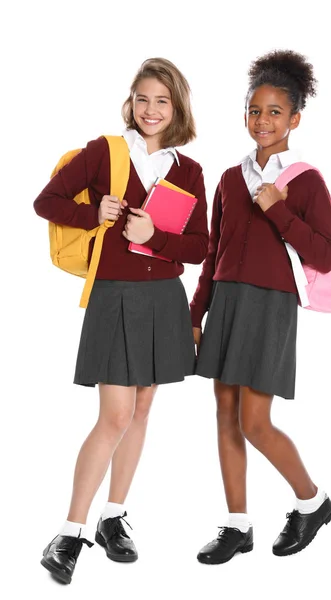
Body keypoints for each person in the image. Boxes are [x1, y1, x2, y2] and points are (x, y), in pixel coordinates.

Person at [34, 57, 208, 584]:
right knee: (114, 415)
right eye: (142, 99)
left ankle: (113, 517)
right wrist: (96, 215)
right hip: (114, 296)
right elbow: (46, 201)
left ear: (176, 107)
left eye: (162, 100)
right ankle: (69, 532)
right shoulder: (104, 152)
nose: (151, 110)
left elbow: (199, 248)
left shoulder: (188, 170)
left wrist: (153, 237)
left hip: (163, 300)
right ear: (130, 102)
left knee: (142, 409)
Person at [190, 49, 331, 564]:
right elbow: (213, 253)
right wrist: (194, 314)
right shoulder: (230, 179)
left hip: (272, 306)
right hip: (226, 303)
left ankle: (313, 502)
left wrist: (280, 212)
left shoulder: (305, 180)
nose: (263, 120)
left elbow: (325, 253)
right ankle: (236, 525)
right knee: (225, 416)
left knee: (256, 421)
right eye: (255, 110)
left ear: (295, 118)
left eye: (275, 111)